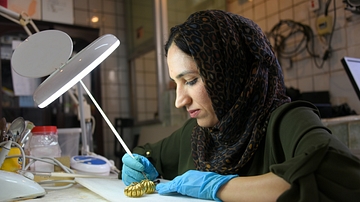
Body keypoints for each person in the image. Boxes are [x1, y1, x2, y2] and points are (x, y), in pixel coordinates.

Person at [121, 10, 360, 201]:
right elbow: (146, 154)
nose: (179, 100)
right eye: (176, 84)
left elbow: (340, 178)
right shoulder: (197, 135)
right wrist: (140, 163)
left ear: (229, 74)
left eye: (191, 81)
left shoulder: (287, 120)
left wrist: (220, 187)